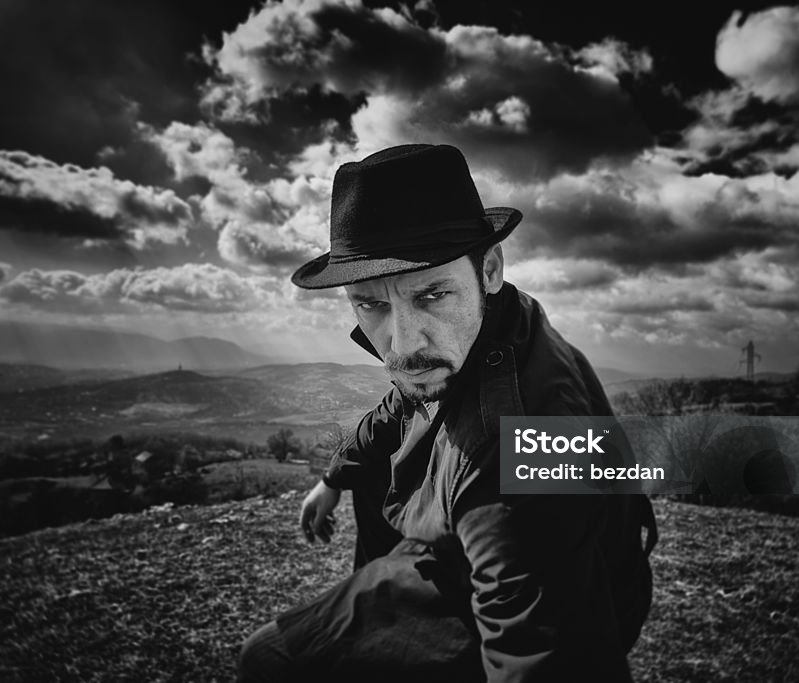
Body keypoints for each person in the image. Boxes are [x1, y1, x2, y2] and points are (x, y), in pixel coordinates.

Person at [238, 144, 656, 682]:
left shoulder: (516, 464)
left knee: (269, 659)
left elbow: (545, 649)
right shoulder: (497, 318)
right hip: (473, 555)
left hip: (549, 589)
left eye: (431, 294)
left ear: (490, 269)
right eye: (371, 303)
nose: (404, 343)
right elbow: (400, 403)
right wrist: (334, 478)